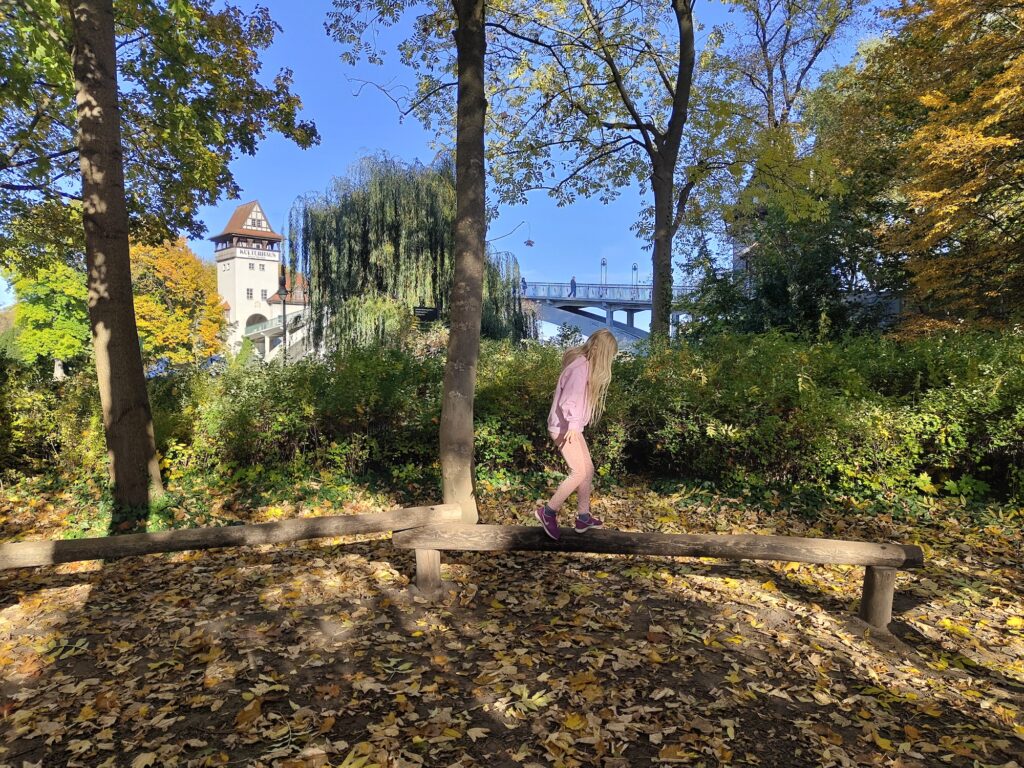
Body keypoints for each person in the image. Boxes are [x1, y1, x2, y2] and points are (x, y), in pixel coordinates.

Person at [535, 328, 618, 540]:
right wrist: (573, 424)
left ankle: (583, 516)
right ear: (599, 350)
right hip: (564, 428)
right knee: (578, 472)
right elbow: (568, 400)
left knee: (587, 469)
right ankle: (548, 511)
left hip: (572, 427)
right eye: (608, 356)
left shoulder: (585, 365)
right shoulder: (579, 368)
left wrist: (576, 424)